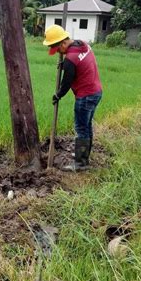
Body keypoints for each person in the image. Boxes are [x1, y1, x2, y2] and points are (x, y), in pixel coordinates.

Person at [43, 24, 102, 171]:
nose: (58, 52)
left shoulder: (70, 59)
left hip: (85, 96)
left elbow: (66, 82)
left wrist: (58, 95)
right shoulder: (82, 45)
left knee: (81, 128)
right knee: (86, 126)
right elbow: (78, 64)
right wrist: (66, 65)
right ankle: (84, 157)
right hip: (96, 92)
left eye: (58, 49)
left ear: (63, 43)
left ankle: (81, 164)